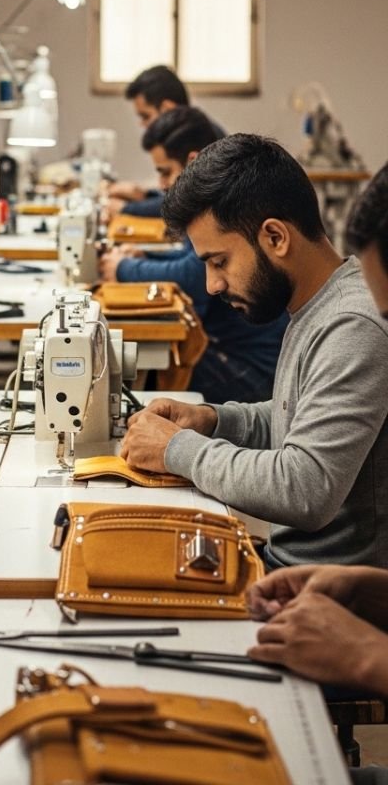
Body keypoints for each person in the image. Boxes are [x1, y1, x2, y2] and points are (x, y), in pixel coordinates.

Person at [120, 134, 388, 570]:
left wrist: (179, 450)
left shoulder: (351, 323)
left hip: (323, 594)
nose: (212, 285)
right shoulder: (316, 304)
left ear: (276, 237)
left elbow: (306, 488)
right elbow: (298, 421)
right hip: (289, 569)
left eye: (219, 261)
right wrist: (214, 420)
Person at [246, 162, 388, 683]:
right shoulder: (326, 308)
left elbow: (304, 489)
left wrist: (368, 655)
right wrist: (362, 587)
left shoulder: (356, 323)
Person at [99, 107, 286, 403]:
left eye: (165, 172)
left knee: (137, 382)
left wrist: (125, 268)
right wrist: (142, 257)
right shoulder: (211, 204)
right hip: (241, 353)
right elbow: (195, 263)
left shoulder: (219, 207)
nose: (160, 185)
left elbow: (194, 276)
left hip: (252, 369)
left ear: (192, 162)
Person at [108, 65, 225, 218]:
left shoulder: (210, 145)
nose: (143, 125)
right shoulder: (200, 131)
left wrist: (128, 208)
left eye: (145, 116)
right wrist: (145, 195)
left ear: (167, 108)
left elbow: (183, 203)